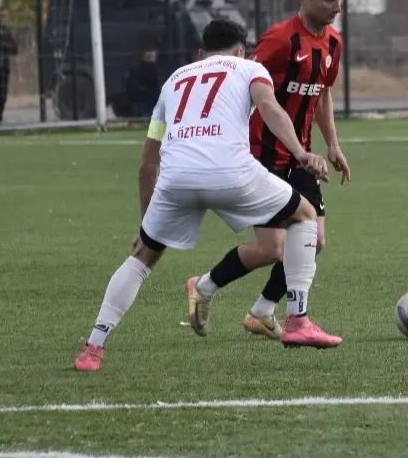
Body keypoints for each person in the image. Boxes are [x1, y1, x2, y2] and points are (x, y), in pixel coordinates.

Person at [73, 19, 335, 372]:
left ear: (201, 53)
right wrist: (300, 152)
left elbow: (147, 164)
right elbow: (270, 109)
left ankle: (93, 347)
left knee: (141, 259)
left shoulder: (173, 81)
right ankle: (297, 320)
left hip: (176, 179)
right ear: (241, 50)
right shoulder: (250, 68)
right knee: (303, 216)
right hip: (232, 173)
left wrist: (146, 222)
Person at [183, 0, 352, 342]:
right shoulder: (279, 40)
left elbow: (322, 93)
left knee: (315, 241)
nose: (337, 7)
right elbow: (241, 84)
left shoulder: (334, 42)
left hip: (303, 155)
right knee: (274, 248)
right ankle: (204, 286)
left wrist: (334, 145)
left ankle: (263, 312)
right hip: (264, 155)